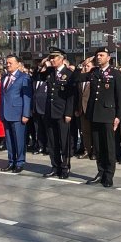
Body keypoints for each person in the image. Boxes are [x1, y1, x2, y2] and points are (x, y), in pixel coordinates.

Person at [86, 48, 121, 187]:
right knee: (97, 147)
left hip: (108, 115)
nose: (98, 57)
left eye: (101, 55)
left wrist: (118, 116)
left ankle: (109, 175)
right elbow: (77, 78)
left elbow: (120, 96)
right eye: (97, 55)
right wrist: (87, 62)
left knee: (109, 147)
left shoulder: (115, 74)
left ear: (108, 58)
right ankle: (100, 172)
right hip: (95, 114)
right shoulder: (93, 72)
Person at [40, 49, 76, 179]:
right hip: (50, 111)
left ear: (61, 58)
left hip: (62, 113)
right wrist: (43, 64)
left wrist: (68, 113)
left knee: (64, 141)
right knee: (52, 141)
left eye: (54, 57)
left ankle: (65, 167)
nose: (52, 60)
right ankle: (55, 166)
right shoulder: (50, 72)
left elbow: (71, 96)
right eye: (50, 57)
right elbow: (36, 76)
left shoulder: (68, 74)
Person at [0, 55, 32, 173]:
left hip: (18, 113)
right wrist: (0, 112)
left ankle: (20, 162)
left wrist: (26, 114)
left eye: (10, 63)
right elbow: (2, 96)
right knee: (9, 140)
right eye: (7, 63)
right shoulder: (4, 78)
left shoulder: (24, 77)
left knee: (19, 139)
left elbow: (27, 97)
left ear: (18, 64)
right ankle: (11, 161)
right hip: (6, 113)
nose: (8, 65)